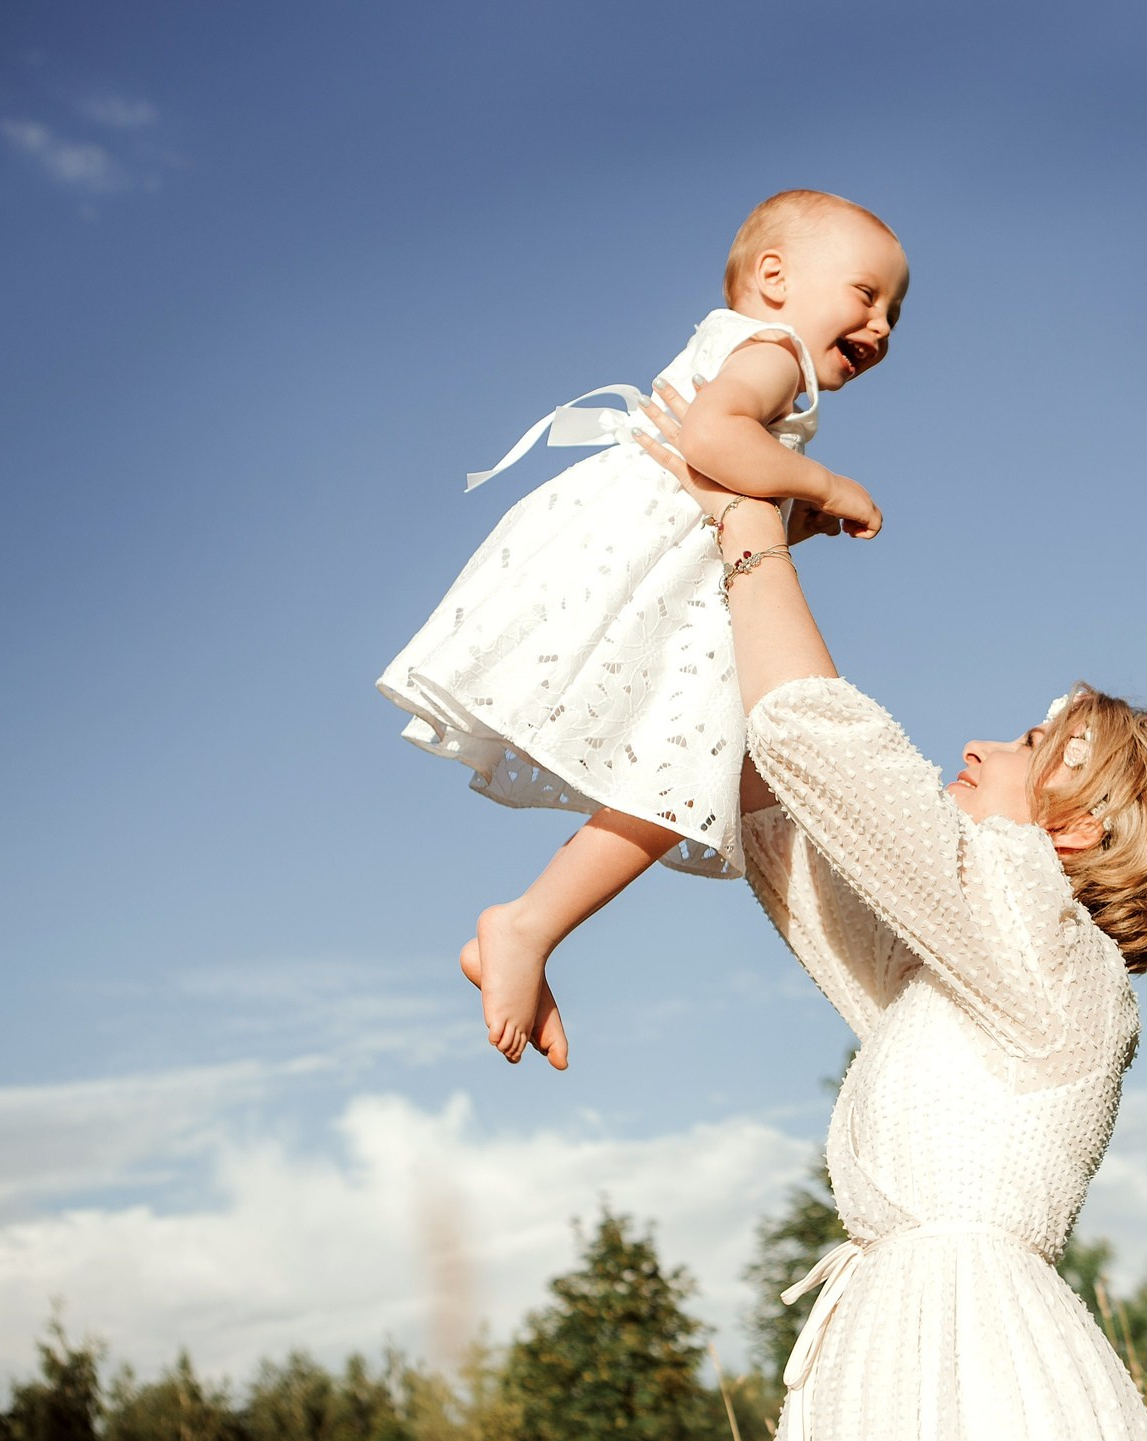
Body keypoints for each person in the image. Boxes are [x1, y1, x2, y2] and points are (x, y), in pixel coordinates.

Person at [637, 384, 1147, 1441]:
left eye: (1033, 746)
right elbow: (793, 827)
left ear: (1075, 830)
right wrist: (722, 556)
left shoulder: (1061, 977)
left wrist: (759, 534)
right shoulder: (973, 972)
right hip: (895, 1361)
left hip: (969, 1377)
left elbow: (843, 766)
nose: (985, 743)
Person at [377, 189, 909, 1066]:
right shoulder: (774, 351)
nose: (882, 325)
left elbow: (733, 467)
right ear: (774, 280)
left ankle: (528, 925)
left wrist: (788, 508)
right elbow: (713, 436)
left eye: (894, 311)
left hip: (646, 550)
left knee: (677, 766)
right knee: (686, 764)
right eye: (865, 294)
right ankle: (526, 923)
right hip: (663, 566)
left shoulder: (755, 349)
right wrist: (825, 487)